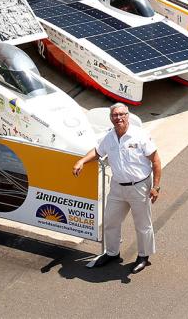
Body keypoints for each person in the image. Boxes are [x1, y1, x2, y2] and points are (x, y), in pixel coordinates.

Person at [72, 103, 161, 273]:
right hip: (117, 187)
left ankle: (143, 256)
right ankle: (112, 253)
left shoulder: (140, 135)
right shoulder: (109, 137)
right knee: (110, 221)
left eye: (122, 114)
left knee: (142, 224)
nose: (118, 118)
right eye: (115, 115)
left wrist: (156, 187)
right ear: (111, 118)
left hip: (139, 187)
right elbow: (98, 151)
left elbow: (156, 161)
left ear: (128, 116)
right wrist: (81, 161)